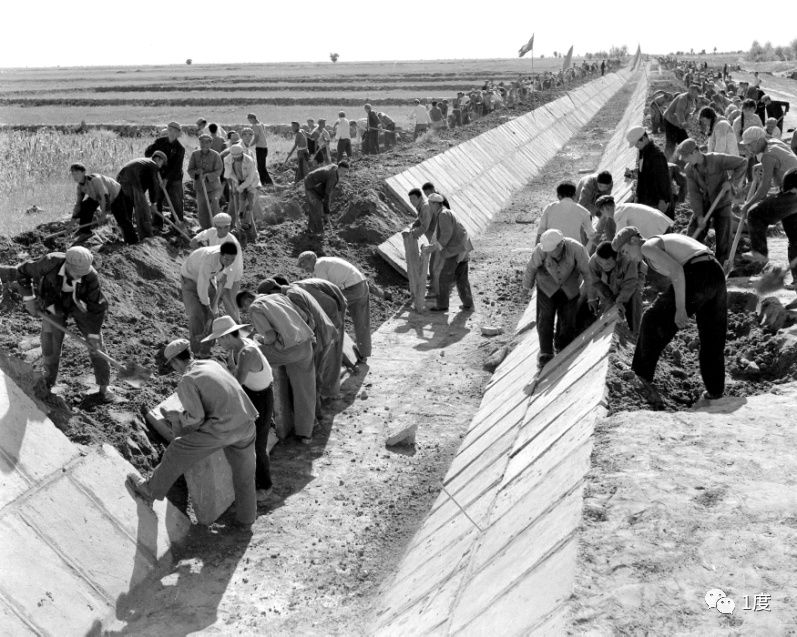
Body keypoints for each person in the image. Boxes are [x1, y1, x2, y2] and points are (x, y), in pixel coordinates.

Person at [126, 338, 258, 529]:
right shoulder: (212, 363)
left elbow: (196, 418)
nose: (174, 369)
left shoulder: (187, 379)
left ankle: (149, 490)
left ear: (176, 362)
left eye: (172, 365)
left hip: (223, 429)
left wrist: (178, 418)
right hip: (246, 423)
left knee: (176, 449)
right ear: (190, 353)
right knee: (244, 475)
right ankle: (246, 520)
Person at [616, 227, 727, 403]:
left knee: (651, 320)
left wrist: (680, 309)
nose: (626, 256)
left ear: (633, 241)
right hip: (715, 271)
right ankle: (715, 391)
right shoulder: (661, 245)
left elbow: (677, 272)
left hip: (698, 273)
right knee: (712, 336)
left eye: (625, 251)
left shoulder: (648, 246)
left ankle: (640, 377)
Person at [2, 247, 111, 401]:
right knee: (50, 340)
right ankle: (48, 380)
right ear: (67, 264)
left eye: (83, 273)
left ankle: (104, 387)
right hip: (53, 303)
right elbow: (22, 272)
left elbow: (97, 307)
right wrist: (29, 298)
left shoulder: (91, 276)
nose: (80, 275)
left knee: (96, 344)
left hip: (80, 305)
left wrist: (93, 334)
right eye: (76, 272)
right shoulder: (49, 262)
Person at [201, 316, 274, 503]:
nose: (218, 343)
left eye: (219, 339)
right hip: (253, 393)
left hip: (260, 398)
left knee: (258, 444)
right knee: (252, 441)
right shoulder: (236, 349)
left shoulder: (246, 352)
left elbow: (237, 385)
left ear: (227, 337)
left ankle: (265, 486)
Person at [236, 291, 316, 444]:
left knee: (250, 352)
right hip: (305, 345)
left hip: (287, 351)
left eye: (244, 310)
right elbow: (305, 317)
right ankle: (306, 433)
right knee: (305, 390)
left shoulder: (255, 307)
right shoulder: (279, 297)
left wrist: (260, 340)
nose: (247, 313)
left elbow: (270, 337)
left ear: (247, 302)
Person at [258, 278, 339, 408]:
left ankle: (316, 415)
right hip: (325, 332)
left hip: (320, 335)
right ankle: (319, 407)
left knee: (312, 377)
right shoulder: (294, 290)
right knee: (316, 374)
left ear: (273, 290)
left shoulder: (292, 295)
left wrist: (300, 339)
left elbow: (307, 320)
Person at [522, 229, 592, 368]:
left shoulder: (576, 248)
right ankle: (546, 352)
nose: (549, 253)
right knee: (545, 318)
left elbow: (588, 272)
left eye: (552, 251)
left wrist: (591, 297)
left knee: (567, 318)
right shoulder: (541, 250)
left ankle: (563, 347)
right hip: (546, 286)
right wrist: (526, 286)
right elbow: (531, 267)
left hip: (569, 287)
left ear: (561, 245)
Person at [677, 138, 746, 265]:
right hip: (706, 202)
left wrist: (731, 182)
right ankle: (691, 262)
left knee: (723, 240)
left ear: (695, 152)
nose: (685, 160)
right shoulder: (689, 169)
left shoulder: (716, 159)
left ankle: (722, 267)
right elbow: (694, 193)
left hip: (722, 201)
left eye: (686, 157)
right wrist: (699, 215)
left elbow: (742, 163)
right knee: (693, 233)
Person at [297, 251, 371, 362]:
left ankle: (335, 352)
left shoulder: (319, 266)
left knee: (331, 314)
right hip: (361, 284)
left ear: (312, 259)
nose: (304, 268)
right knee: (361, 321)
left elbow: (325, 290)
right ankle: (364, 353)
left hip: (351, 289)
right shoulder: (326, 262)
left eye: (304, 264)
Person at [180, 243, 239, 357]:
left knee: (213, 316)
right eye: (226, 259)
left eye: (232, 260)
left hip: (210, 278)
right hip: (190, 279)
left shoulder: (229, 258)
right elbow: (202, 286)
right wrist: (207, 308)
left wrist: (212, 310)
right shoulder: (209, 261)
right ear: (220, 255)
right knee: (196, 314)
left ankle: (207, 350)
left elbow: (224, 274)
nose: (229, 262)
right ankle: (197, 352)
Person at [292, 276, 347, 397]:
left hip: (335, 307)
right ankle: (327, 389)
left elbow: (330, 304)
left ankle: (329, 391)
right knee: (327, 351)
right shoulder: (296, 290)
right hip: (329, 308)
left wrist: (334, 325)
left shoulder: (297, 291)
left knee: (332, 351)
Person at [423, 194, 474, 312]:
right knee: (462, 278)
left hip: (455, 250)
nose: (429, 207)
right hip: (463, 248)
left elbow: (446, 234)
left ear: (435, 204)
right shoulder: (448, 212)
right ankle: (468, 303)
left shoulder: (443, 215)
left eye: (430, 204)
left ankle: (442, 305)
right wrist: (434, 246)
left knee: (443, 277)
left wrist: (435, 247)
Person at [190, 213, 244, 321]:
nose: (222, 231)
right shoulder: (212, 232)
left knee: (229, 301)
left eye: (225, 228)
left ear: (229, 227)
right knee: (213, 300)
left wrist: (223, 287)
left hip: (232, 274)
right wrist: (195, 239)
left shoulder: (232, 243)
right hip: (216, 269)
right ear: (216, 226)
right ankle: (212, 322)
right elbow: (203, 234)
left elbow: (231, 267)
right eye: (219, 228)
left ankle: (237, 325)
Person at [587, 240, 643, 334]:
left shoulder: (628, 259)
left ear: (616, 258)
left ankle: (635, 332)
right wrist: (608, 297)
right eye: (601, 264)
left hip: (634, 278)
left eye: (608, 264)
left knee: (634, 298)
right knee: (607, 309)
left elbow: (630, 282)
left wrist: (620, 300)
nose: (604, 267)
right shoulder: (593, 262)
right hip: (610, 285)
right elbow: (596, 283)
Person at [115, 153, 167, 243]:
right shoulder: (153, 165)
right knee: (143, 210)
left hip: (120, 180)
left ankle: (128, 237)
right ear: (158, 159)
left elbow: (143, 185)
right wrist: (153, 203)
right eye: (162, 163)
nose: (161, 166)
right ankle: (146, 237)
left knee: (127, 209)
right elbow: (153, 185)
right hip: (132, 180)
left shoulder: (144, 163)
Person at [144, 121, 185, 231]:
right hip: (158, 175)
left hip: (174, 178)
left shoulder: (180, 149)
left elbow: (176, 167)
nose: (170, 132)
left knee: (176, 201)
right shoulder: (160, 142)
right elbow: (147, 154)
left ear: (177, 133)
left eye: (173, 131)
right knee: (157, 199)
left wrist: (167, 179)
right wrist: (153, 148)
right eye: (169, 130)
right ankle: (157, 224)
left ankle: (177, 225)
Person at [535, 181, 596, 250]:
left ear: (558, 196)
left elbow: (541, 230)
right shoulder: (584, 211)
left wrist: (536, 250)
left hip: (552, 248)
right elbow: (591, 234)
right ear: (574, 196)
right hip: (573, 249)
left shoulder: (549, 208)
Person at [627, 126, 672, 215]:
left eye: (637, 143)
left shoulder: (656, 156)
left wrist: (662, 200)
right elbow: (642, 175)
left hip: (655, 202)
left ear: (643, 138)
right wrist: (638, 196)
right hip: (646, 199)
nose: (636, 146)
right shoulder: (643, 152)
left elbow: (663, 180)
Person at [69, 163, 120, 240]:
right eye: (73, 174)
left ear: (84, 172)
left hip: (116, 194)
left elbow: (105, 197)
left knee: (121, 218)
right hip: (98, 197)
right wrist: (71, 225)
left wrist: (103, 215)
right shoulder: (80, 187)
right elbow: (78, 205)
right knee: (85, 205)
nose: (75, 176)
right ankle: (85, 231)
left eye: (77, 173)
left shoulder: (95, 180)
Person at [223, 144, 260, 237]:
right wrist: (233, 187)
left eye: (238, 158)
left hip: (251, 183)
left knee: (249, 205)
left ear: (242, 153)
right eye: (234, 158)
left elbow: (250, 179)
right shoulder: (227, 159)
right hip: (238, 181)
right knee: (239, 204)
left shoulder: (249, 160)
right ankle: (237, 226)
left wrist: (240, 188)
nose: (236, 159)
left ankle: (251, 230)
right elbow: (228, 174)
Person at [187, 134, 223, 230]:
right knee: (202, 208)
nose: (204, 144)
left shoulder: (216, 155)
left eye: (207, 142)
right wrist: (196, 173)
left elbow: (219, 170)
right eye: (202, 142)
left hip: (213, 187)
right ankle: (205, 228)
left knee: (215, 204)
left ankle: (217, 226)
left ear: (211, 143)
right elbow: (190, 170)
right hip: (200, 187)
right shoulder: (195, 154)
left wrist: (208, 176)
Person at [595, 195, 673, 239]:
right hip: (662, 224)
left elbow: (620, 237)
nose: (604, 215)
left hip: (660, 230)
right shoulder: (623, 207)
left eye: (602, 212)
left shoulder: (619, 214)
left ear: (606, 208)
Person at [303, 161, 348, 235]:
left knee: (314, 208)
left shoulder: (335, 168)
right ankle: (319, 233)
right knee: (317, 208)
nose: (345, 173)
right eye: (343, 171)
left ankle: (310, 228)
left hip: (316, 184)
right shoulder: (332, 177)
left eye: (346, 171)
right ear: (339, 168)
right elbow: (327, 194)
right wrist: (327, 210)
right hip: (310, 184)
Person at [409, 187, 439, 295]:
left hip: (437, 236)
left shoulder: (425, 207)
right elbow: (420, 219)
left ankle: (435, 289)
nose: (412, 202)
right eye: (410, 200)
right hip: (434, 236)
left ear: (420, 197)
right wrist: (414, 226)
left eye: (413, 199)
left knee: (435, 262)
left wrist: (414, 234)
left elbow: (425, 226)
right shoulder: (422, 206)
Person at [662, 84, 699, 159]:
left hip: (678, 123)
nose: (692, 94)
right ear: (688, 91)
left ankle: (686, 158)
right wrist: (683, 122)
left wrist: (687, 121)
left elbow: (688, 112)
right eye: (691, 92)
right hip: (670, 121)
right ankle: (666, 160)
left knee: (684, 140)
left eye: (694, 93)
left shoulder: (692, 100)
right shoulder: (683, 98)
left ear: (697, 93)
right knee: (671, 142)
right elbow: (679, 111)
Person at [247, 113, 273, 185]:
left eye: (249, 120)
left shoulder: (255, 126)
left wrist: (249, 145)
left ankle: (265, 182)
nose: (249, 121)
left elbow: (256, 138)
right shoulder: (261, 124)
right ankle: (267, 182)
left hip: (260, 148)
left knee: (260, 167)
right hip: (265, 147)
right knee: (262, 166)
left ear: (252, 119)